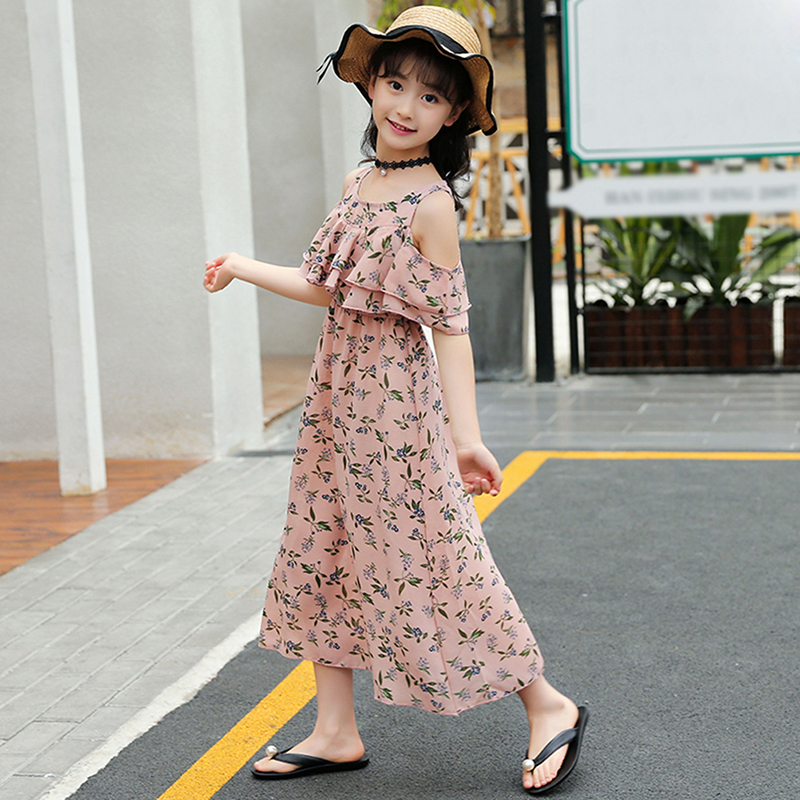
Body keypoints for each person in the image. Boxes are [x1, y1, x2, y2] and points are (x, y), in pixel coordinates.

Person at [203, 6, 587, 794]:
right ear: (371, 84)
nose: (407, 106)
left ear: (453, 115)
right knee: (325, 545)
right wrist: (241, 267)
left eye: (432, 96)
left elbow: (451, 327)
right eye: (396, 83)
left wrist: (466, 438)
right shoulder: (359, 182)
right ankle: (335, 729)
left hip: (397, 414)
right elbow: (326, 286)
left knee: (439, 558)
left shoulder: (431, 204)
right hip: (335, 401)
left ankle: (548, 704)